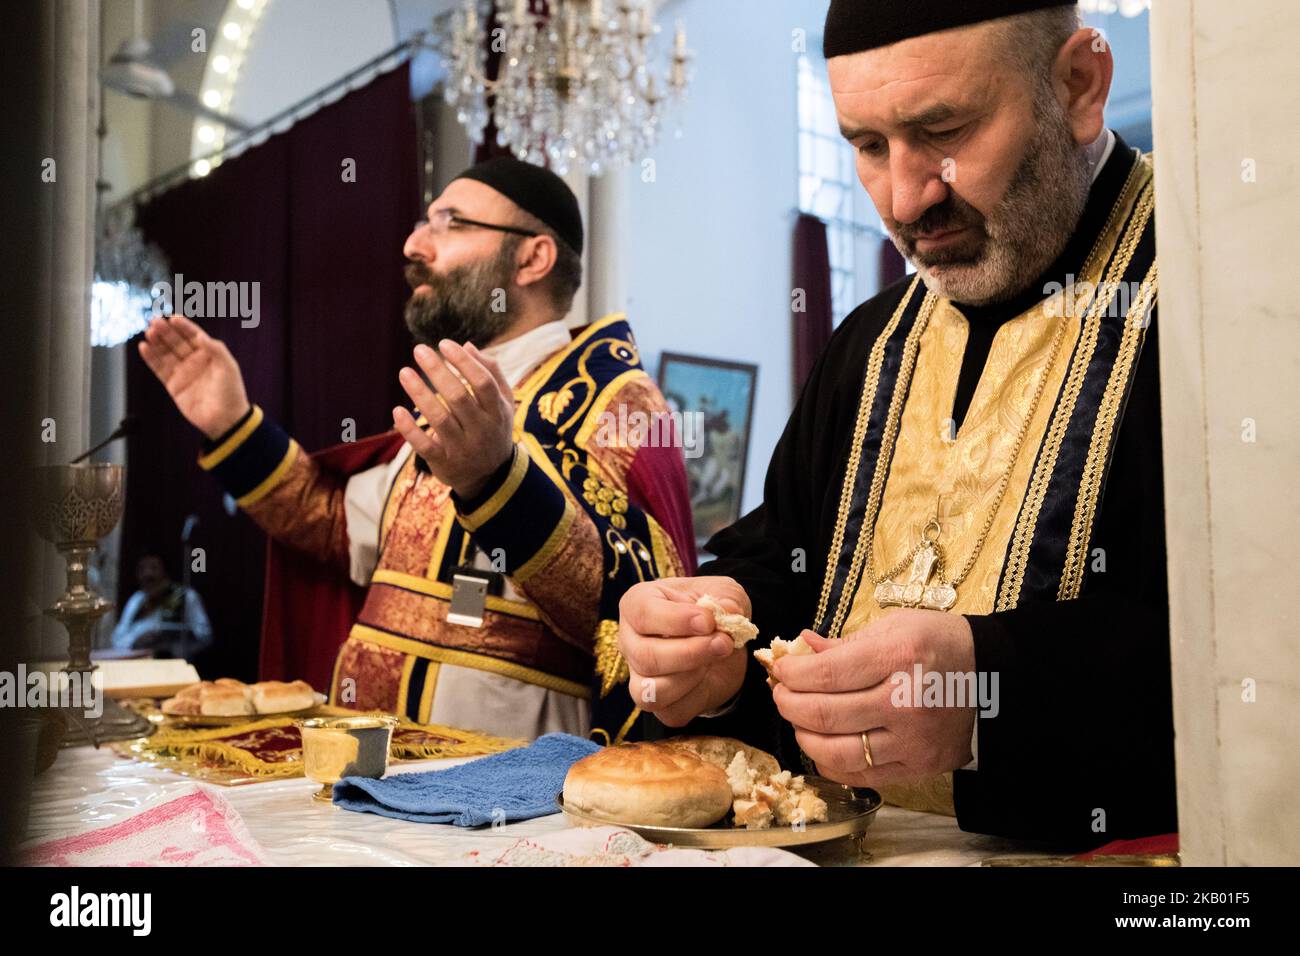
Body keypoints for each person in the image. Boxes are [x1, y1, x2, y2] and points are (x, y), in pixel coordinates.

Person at [617, 0, 1175, 845]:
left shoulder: (1227, 293)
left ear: (1078, 85)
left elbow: (1259, 653)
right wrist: (716, 642)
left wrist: (986, 692)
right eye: (868, 147)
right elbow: (790, 561)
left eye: (945, 129)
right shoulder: (870, 341)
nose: (905, 200)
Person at [140, 157, 694, 743]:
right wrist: (233, 426)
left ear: (533, 257)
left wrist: (495, 480)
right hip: (366, 772)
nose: (413, 243)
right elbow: (332, 524)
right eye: (423, 222)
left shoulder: (616, 404)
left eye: (450, 224)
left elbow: (630, 615)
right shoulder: (449, 393)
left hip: (509, 796)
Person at [111, 552, 213, 662]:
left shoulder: (186, 596)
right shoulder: (136, 600)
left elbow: (205, 635)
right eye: (142, 569)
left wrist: (170, 641)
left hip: (175, 665)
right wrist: (136, 641)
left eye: (154, 568)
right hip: (137, 665)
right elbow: (117, 639)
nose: (148, 574)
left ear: (165, 571)